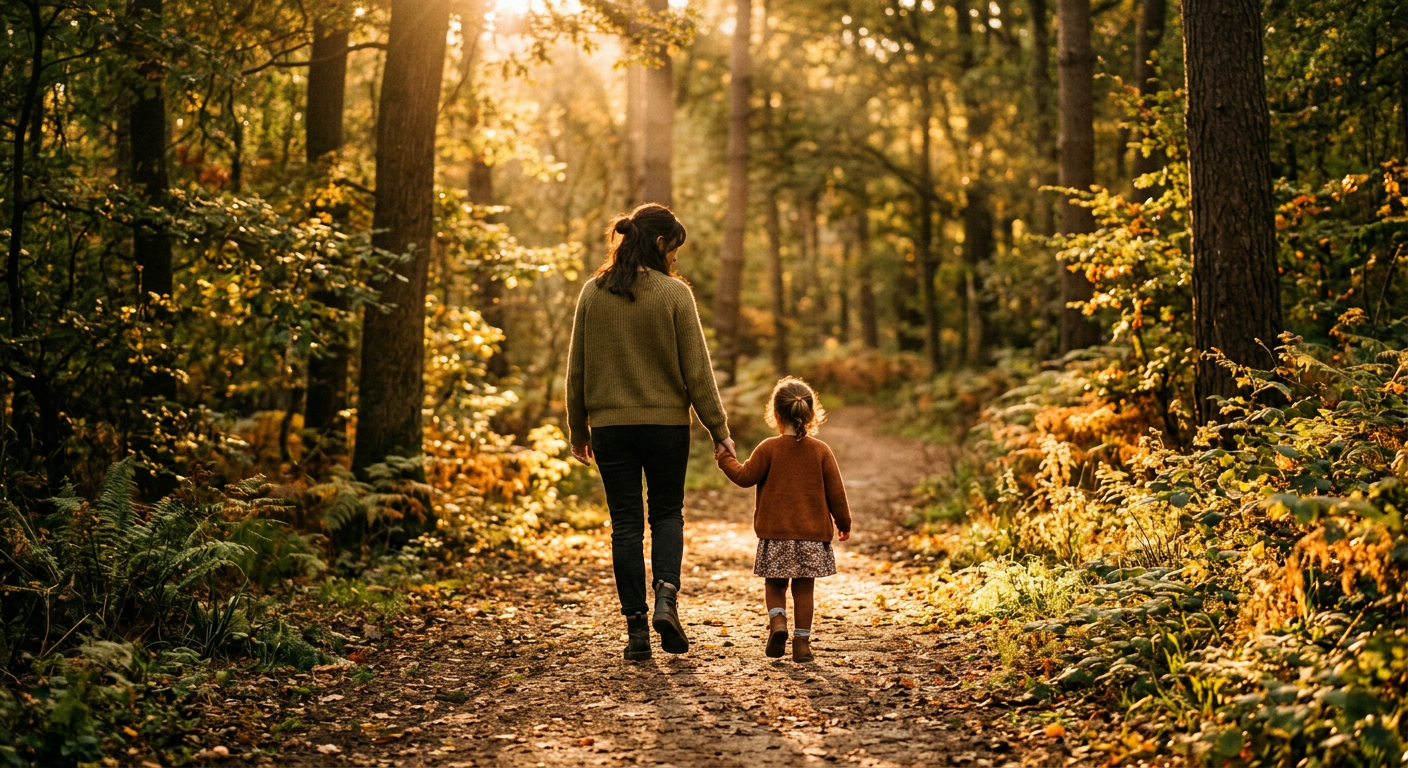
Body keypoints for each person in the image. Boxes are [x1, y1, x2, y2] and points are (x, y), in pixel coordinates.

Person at [565, 203, 735, 661]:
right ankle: (666, 598)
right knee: (666, 515)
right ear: (660, 243)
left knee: (624, 525)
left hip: (610, 429)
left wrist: (577, 428)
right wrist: (720, 430)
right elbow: (697, 373)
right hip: (665, 427)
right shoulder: (675, 295)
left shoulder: (592, 293)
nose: (674, 259)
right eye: (673, 249)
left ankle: (636, 630)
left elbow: (576, 368)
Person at [715, 377, 851, 662]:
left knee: (775, 585)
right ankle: (802, 645)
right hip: (812, 535)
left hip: (775, 535)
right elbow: (836, 492)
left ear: (775, 414)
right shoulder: (821, 451)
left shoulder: (768, 448)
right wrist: (844, 523)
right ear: (811, 414)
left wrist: (724, 458)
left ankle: (778, 622)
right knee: (804, 589)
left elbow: (743, 476)